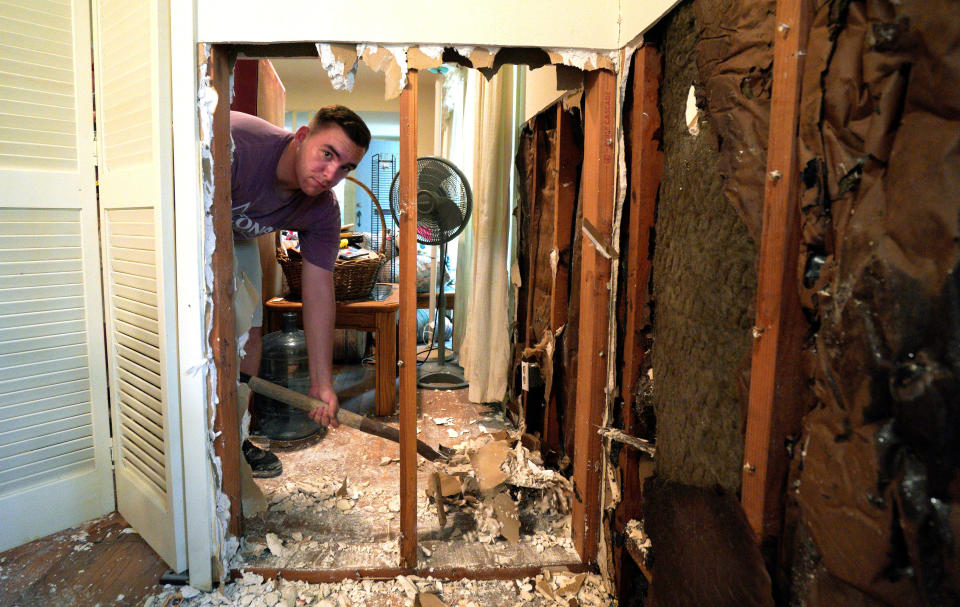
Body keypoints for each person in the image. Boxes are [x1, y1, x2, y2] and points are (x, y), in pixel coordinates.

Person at [231, 107, 370, 477]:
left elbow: (320, 291)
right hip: (190, 215)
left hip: (238, 236)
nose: (331, 175)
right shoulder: (238, 146)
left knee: (250, 333)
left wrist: (321, 382)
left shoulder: (323, 211)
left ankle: (237, 437)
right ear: (302, 135)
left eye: (345, 168)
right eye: (327, 154)